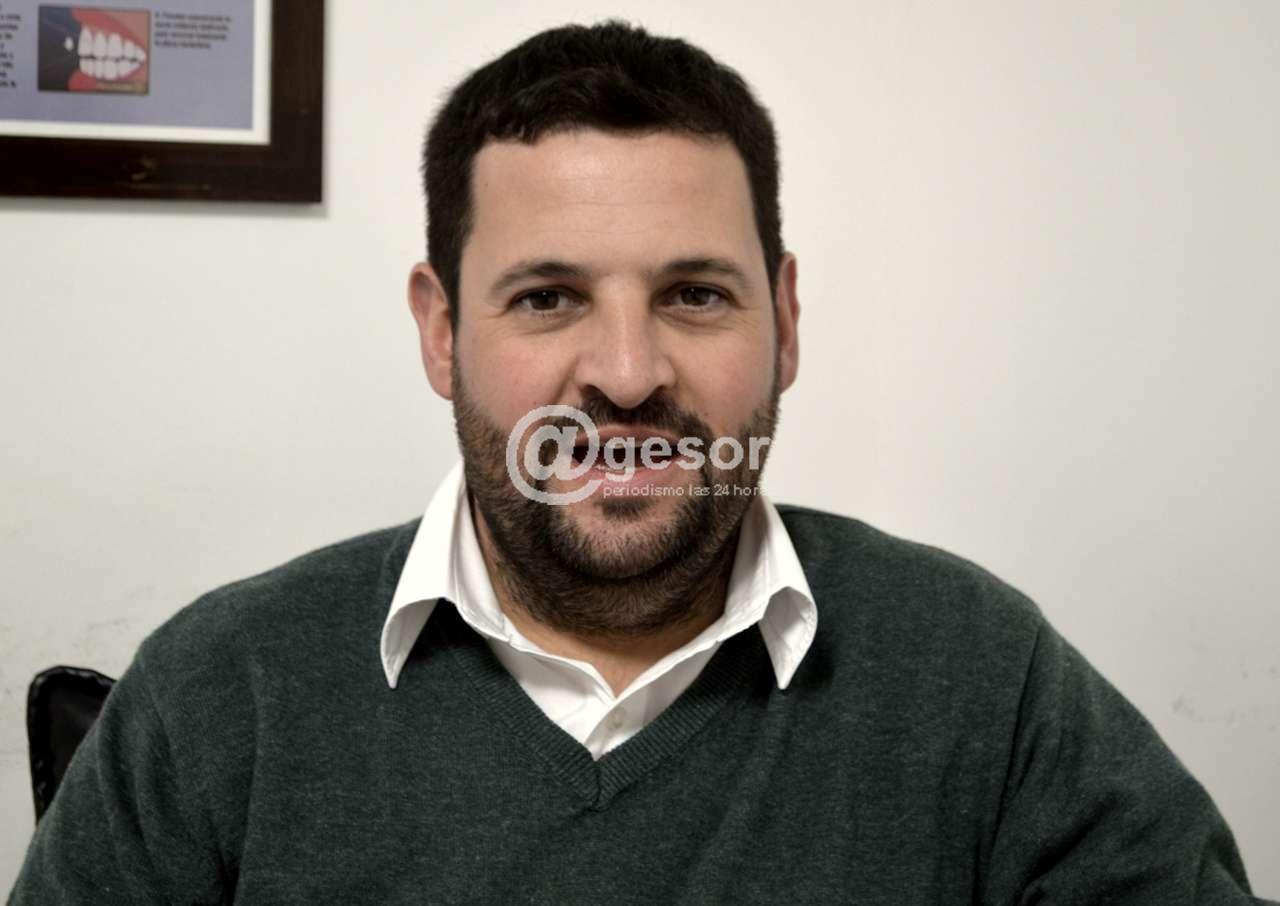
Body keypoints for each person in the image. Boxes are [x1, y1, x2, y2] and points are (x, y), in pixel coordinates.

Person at [9, 19, 1274, 906]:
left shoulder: (981, 677)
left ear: (785, 318)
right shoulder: (218, 694)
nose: (624, 374)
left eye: (694, 295)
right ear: (441, 333)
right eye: (547, 298)